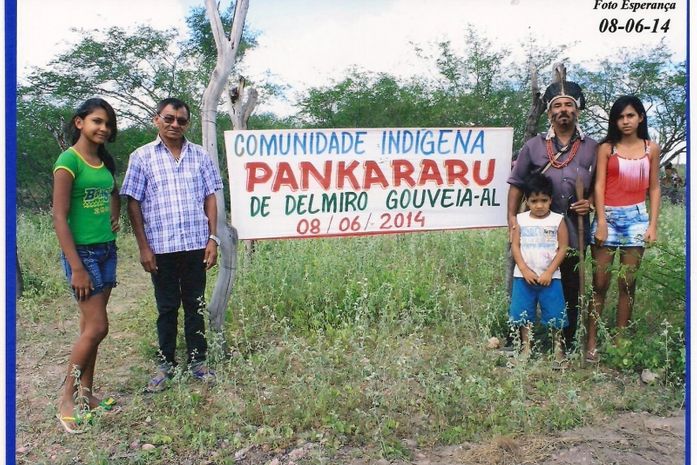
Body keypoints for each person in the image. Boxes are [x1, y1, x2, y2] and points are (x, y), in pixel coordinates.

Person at [120, 97, 223, 392]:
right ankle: (166, 366)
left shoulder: (200, 156)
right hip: (161, 247)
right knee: (167, 307)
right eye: (168, 118)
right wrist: (143, 247)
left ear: (187, 123)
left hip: (195, 244)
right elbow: (133, 203)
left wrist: (212, 238)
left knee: (195, 304)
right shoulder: (141, 156)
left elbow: (210, 198)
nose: (174, 124)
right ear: (157, 120)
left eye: (180, 120)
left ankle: (198, 362)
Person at [507, 80, 597, 352]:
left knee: (567, 280)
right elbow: (517, 184)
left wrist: (590, 202)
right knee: (527, 277)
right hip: (534, 227)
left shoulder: (591, 147)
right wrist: (512, 219)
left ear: (577, 110)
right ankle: (522, 339)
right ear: (549, 113)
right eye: (557, 106)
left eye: (569, 105)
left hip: (573, 224)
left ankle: (565, 341)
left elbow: (601, 184)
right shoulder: (534, 147)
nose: (563, 110)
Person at [53, 98, 121, 433]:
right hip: (83, 256)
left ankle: (87, 395)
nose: (103, 129)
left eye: (108, 124)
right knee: (97, 327)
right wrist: (76, 266)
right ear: (80, 122)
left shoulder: (102, 161)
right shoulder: (69, 160)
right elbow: (59, 217)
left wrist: (115, 215)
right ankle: (66, 400)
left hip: (107, 250)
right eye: (97, 121)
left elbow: (113, 191)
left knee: (89, 330)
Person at [585, 95, 661, 362]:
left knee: (627, 283)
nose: (625, 121)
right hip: (609, 217)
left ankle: (620, 342)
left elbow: (654, 187)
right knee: (600, 282)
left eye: (630, 115)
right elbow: (599, 185)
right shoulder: (607, 148)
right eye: (620, 117)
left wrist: (652, 224)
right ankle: (591, 341)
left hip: (637, 218)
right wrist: (602, 221)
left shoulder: (651, 148)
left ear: (640, 117)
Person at [509, 173, 569, 365]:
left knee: (555, 315)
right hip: (523, 278)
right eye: (534, 201)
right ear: (526, 201)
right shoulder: (520, 219)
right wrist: (524, 269)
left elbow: (563, 247)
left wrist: (550, 272)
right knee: (523, 314)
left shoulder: (558, 220)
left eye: (544, 200)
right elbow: (515, 246)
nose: (539, 205)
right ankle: (526, 349)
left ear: (551, 199)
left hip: (550, 278)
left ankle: (558, 351)